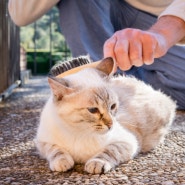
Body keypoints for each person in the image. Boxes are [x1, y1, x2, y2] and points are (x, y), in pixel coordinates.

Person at [8, 0, 185, 110]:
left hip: (161, 17)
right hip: (91, 9)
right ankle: (102, 94)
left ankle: (124, 88)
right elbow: (19, 14)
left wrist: (162, 34)